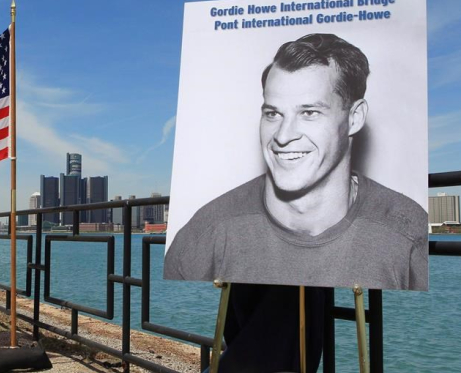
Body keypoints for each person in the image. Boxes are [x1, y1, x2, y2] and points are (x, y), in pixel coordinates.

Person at [164, 33, 428, 291]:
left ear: (354, 118)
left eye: (309, 112)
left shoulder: (407, 232)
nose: (283, 135)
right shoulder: (205, 234)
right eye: (273, 113)